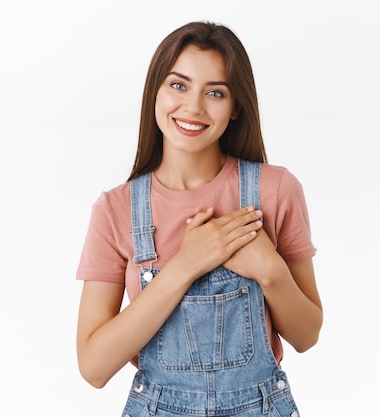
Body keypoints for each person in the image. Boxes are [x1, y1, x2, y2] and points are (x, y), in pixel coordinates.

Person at [75, 21, 322, 416]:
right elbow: (94, 366)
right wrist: (185, 266)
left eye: (215, 92)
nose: (193, 106)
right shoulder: (115, 210)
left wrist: (270, 269)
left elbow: (307, 335)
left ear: (236, 105)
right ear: (154, 90)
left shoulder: (275, 190)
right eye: (178, 85)